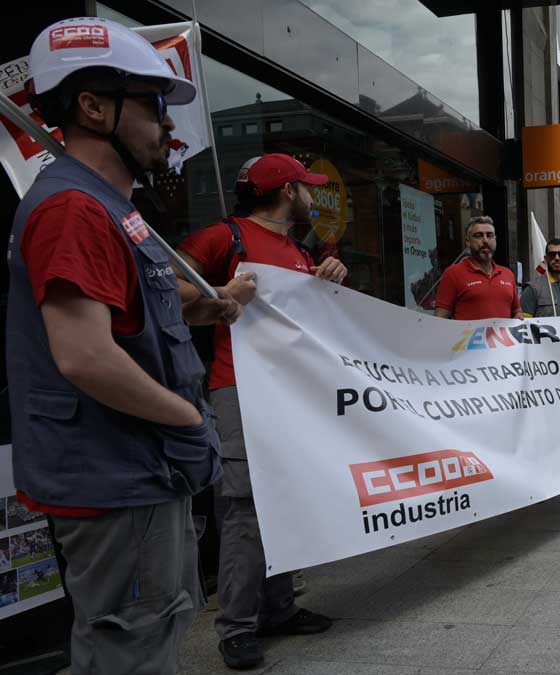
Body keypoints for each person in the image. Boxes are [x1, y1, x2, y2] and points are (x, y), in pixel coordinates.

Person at [11, 18, 243, 674]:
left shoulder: (111, 207)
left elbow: (145, 303)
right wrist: (191, 418)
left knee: (150, 636)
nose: (167, 126)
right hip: (117, 481)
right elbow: (83, 355)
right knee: (129, 652)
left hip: (143, 474)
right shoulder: (72, 211)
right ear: (92, 106)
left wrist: (215, 297)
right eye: (151, 105)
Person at [177, 153, 342, 669]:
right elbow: (164, 291)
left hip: (289, 390)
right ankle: (237, 627)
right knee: (246, 509)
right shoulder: (224, 238)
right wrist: (224, 294)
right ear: (287, 191)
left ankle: (279, 609)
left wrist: (326, 282)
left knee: (285, 501)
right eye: (307, 185)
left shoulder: (297, 247)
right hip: (240, 389)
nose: (314, 194)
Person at [435, 216, 521, 320]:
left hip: (502, 336)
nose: (485, 241)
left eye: (489, 235)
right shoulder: (452, 274)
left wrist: (519, 319)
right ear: (467, 241)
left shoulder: (507, 274)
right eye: (478, 236)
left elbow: (516, 311)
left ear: (495, 239)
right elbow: (440, 319)